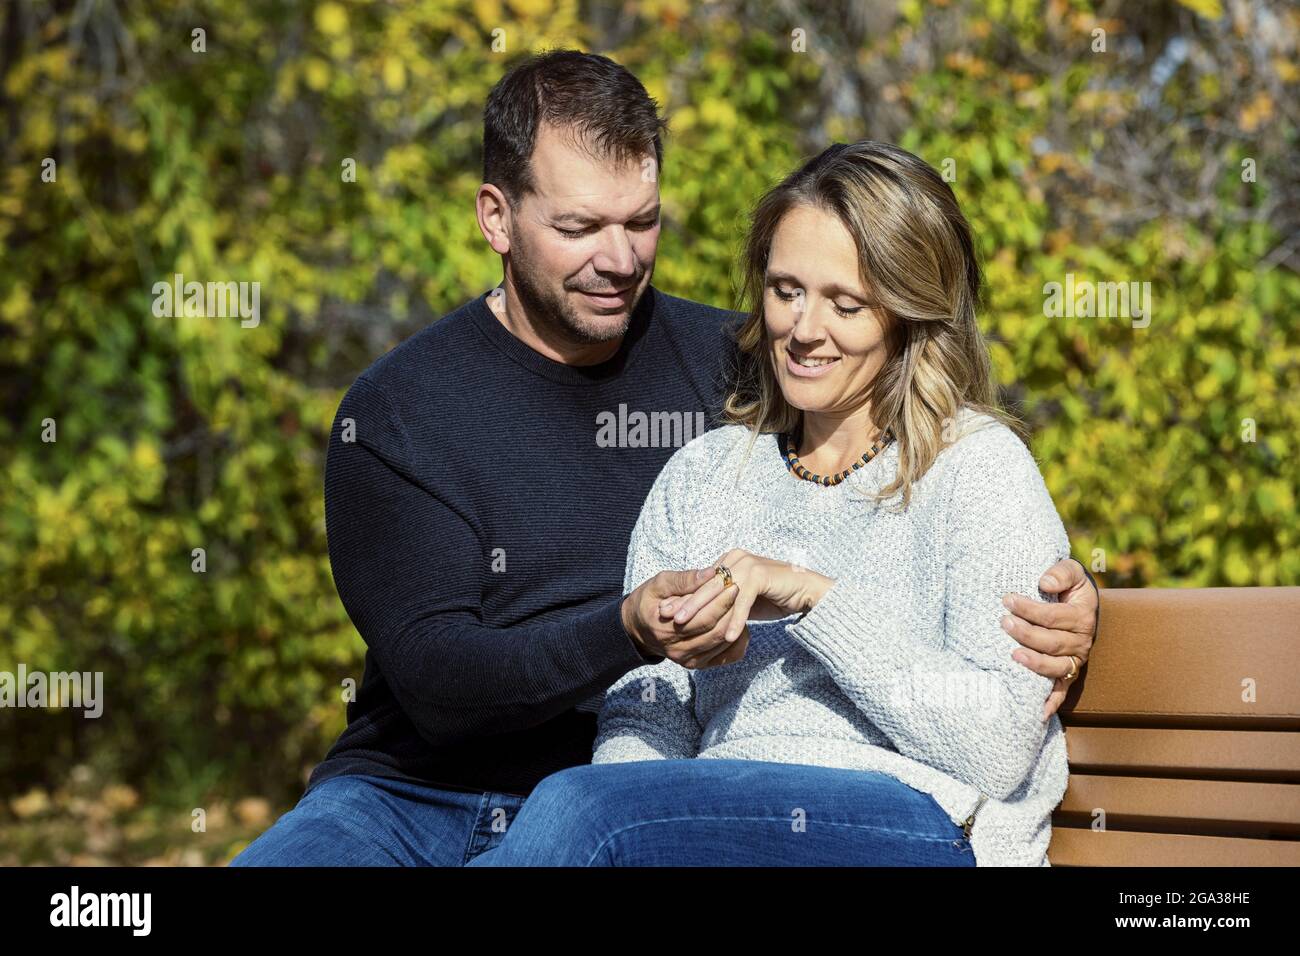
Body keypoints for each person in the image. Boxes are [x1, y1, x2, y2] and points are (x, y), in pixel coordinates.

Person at [230, 52, 1097, 868]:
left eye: (641, 223)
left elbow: (933, 452)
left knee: (583, 815)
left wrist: (1075, 597)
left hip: (646, 806)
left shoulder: (736, 365)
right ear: (496, 216)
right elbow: (444, 683)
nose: (618, 259)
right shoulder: (400, 412)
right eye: (579, 227)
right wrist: (627, 631)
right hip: (418, 787)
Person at [467, 141, 1075, 867]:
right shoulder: (703, 474)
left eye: (845, 304)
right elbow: (643, 715)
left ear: (909, 313)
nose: (803, 329)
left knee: (574, 810)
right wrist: (634, 809)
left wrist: (815, 600)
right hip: (716, 822)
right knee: (584, 805)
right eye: (786, 291)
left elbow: (1001, 744)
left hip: (913, 819)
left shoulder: (978, 469)